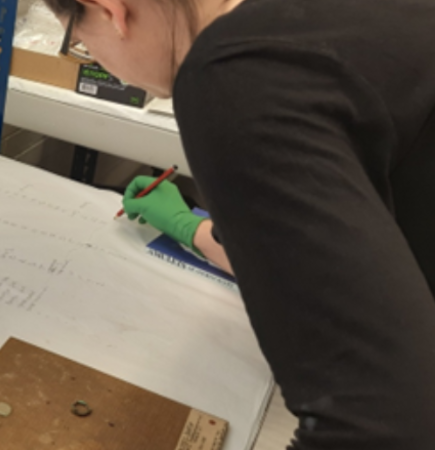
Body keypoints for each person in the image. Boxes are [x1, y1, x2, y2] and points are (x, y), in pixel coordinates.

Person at [43, 0, 435, 448]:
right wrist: (189, 227)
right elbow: (306, 260)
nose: (106, 68)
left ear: (110, 10)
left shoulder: (233, 75)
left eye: (82, 44)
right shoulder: (315, 25)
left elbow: (381, 422)